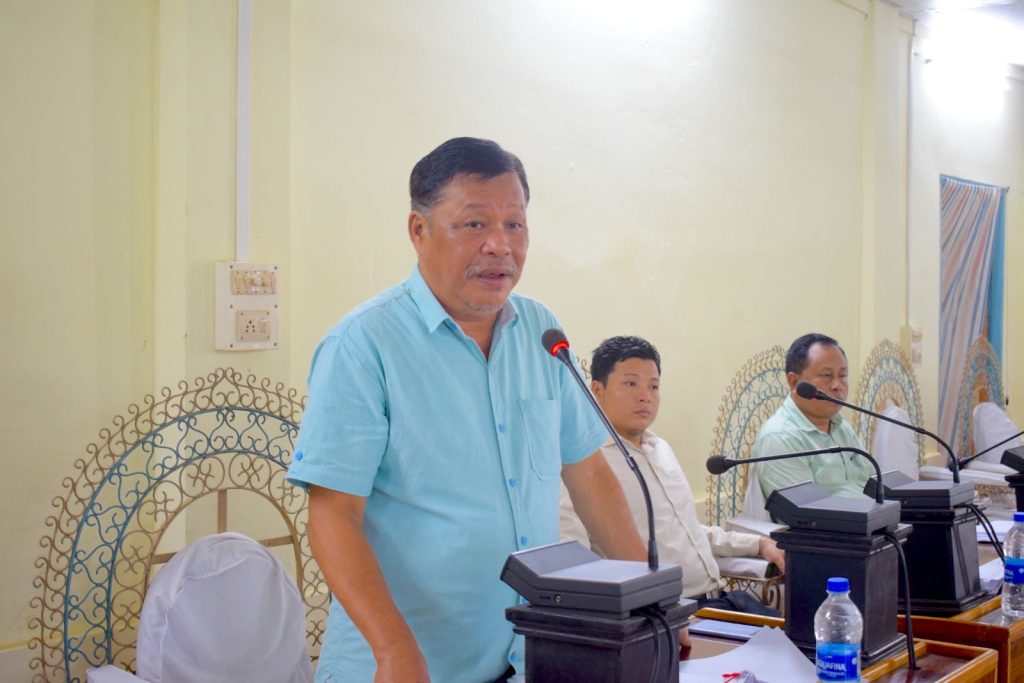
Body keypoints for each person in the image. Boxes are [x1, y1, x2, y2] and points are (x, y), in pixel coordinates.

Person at [286, 137, 648, 683]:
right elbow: (334, 514)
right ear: (419, 230)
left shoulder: (541, 332)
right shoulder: (364, 346)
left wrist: (646, 603)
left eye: (514, 224)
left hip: (525, 657)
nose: (499, 245)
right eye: (474, 224)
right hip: (404, 666)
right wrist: (392, 649)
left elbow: (589, 474)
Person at [560, 336, 785, 616]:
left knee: (808, 635)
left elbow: (687, 531)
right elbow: (580, 564)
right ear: (597, 390)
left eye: (653, 386)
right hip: (669, 615)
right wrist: (653, 612)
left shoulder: (660, 448)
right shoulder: (584, 466)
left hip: (719, 600)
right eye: (631, 384)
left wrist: (757, 544)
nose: (645, 396)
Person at [754, 332, 872, 500]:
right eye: (826, 375)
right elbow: (808, 510)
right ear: (795, 382)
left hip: (877, 514)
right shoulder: (779, 437)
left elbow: (873, 482)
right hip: (845, 517)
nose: (837, 385)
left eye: (843, 375)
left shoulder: (841, 426)